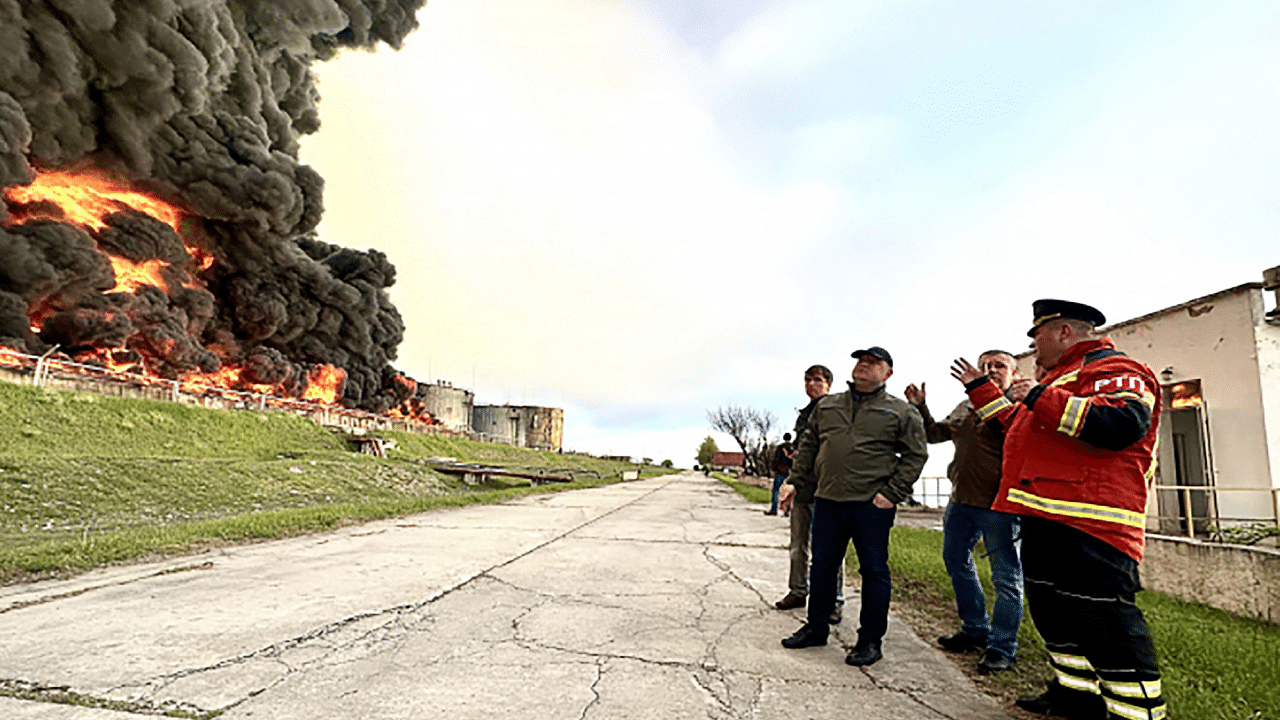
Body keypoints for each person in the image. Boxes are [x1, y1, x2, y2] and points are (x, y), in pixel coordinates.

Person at [960, 300, 1165, 720]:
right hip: (1046, 520)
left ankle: (1138, 715)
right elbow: (1014, 425)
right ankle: (1076, 698)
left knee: (1106, 627)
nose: (1033, 347)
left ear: (1064, 332)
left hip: (1092, 525)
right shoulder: (1058, 378)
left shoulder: (1113, 369)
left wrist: (1041, 396)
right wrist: (980, 388)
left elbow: (1123, 424)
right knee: (1057, 619)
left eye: (1036, 337)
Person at [779, 347, 928, 667]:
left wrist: (892, 493)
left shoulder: (901, 412)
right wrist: (793, 480)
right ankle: (816, 627)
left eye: (873, 362)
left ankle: (870, 641)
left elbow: (916, 455)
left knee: (874, 571)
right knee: (822, 566)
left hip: (871, 505)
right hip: (828, 500)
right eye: (860, 361)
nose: (863, 366)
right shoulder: (828, 406)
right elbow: (808, 447)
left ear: (888, 373)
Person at [905, 351, 1031, 676]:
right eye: (985, 365)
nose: (990, 371)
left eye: (999, 366)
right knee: (956, 561)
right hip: (960, 502)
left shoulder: (1018, 409)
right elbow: (934, 434)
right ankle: (974, 629)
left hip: (1000, 507)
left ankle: (1002, 648)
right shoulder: (966, 406)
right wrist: (921, 406)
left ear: (1015, 374)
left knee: (1006, 578)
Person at [773, 365, 845, 623]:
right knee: (797, 545)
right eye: (807, 380)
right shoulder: (803, 415)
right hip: (803, 488)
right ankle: (798, 590)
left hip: (828, 489)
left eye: (817, 380)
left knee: (829, 549)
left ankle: (834, 600)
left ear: (828, 384)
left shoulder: (837, 410)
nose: (811, 384)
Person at [765, 432, 794, 516]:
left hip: (780, 471)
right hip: (790, 472)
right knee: (788, 492)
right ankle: (786, 511)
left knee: (775, 490)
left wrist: (773, 469)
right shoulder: (793, 447)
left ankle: (774, 510)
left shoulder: (780, 447)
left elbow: (776, 459)